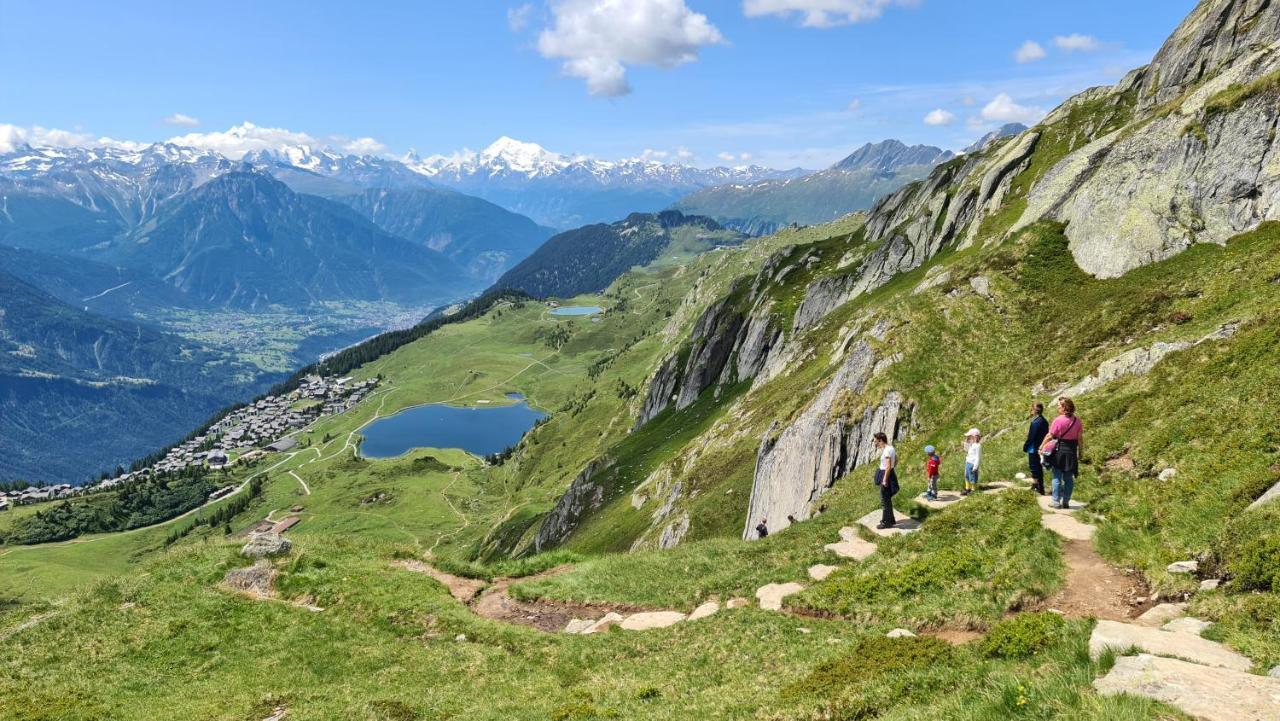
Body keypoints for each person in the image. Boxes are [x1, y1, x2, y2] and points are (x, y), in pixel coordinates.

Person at [1041, 396, 1083, 509]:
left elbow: (1050, 435)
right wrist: (1081, 452)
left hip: (1060, 451)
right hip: (1072, 451)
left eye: (1059, 406)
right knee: (1069, 478)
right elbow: (1080, 439)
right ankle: (1066, 501)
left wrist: (1041, 446)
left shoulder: (1058, 420)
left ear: (1064, 408)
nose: (1057, 408)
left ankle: (1055, 501)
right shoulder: (1077, 420)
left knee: (1057, 477)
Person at [873, 432, 899, 529]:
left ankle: (886, 522)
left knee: (885, 500)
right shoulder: (890, 448)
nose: (874, 442)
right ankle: (891, 519)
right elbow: (896, 459)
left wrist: (884, 479)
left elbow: (888, 466)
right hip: (889, 473)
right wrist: (892, 468)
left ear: (880, 440)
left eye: (875, 440)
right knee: (887, 499)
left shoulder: (887, 451)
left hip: (886, 475)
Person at [1025, 403, 1050, 495]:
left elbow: (1031, 437)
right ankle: (1040, 486)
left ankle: (1037, 486)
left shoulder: (1035, 422)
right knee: (1039, 467)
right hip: (1042, 446)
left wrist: (1026, 446)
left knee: (1034, 467)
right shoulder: (1044, 421)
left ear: (1035, 410)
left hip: (1033, 447)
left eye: (1032, 409)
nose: (1031, 411)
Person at [962, 428, 982, 496]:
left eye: (969, 436)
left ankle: (973, 490)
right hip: (968, 462)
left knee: (973, 477)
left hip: (973, 464)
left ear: (974, 437)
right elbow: (966, 450)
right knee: (966, 476)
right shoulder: (971, 444)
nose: (968, 438)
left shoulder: (978, 446)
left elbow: (978, 457)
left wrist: (975, 466)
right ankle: (967, 488)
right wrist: (966, 443)